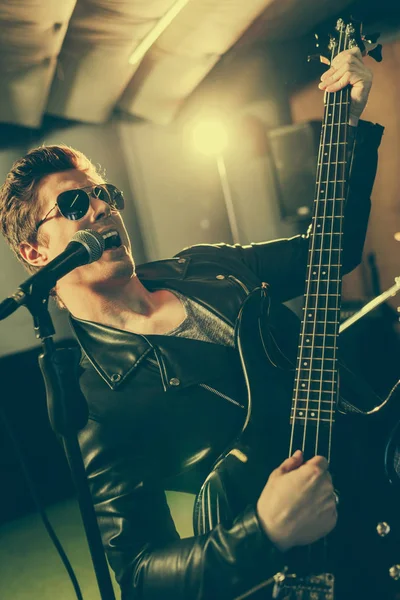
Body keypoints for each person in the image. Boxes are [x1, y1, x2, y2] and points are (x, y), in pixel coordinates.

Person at [0, 48, 384, 599]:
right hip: (321, 553)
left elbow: (331, 250)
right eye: (75, 203)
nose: (103, 208)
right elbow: (138, 570)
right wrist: (264, 532)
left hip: (376, 454)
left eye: (104, 194)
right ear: (35, 253)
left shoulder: (206, 267)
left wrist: (345, 128)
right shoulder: (93, 400)